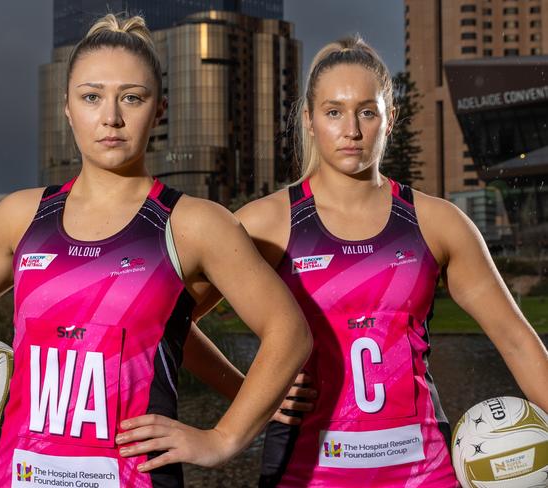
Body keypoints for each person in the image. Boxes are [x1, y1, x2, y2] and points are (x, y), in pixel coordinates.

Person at [0, 14, 312, 487]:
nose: (110, 117)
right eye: (91, 96)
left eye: (131, 98)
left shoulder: (194, 224)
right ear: (68, 108)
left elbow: (288, 331)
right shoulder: (20, 216)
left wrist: (224, 438)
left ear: (160, 109)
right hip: (20, 473)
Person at [184, 36, 548, 487]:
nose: (351, 130)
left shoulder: (437, 222)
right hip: (306, 473)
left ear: (389, 118)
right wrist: (247, 393)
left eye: (367, 111)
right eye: (333, 111)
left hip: (424, 473)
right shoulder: (264, 225)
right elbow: (168, 323)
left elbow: (517, 342)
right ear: (310, 121)